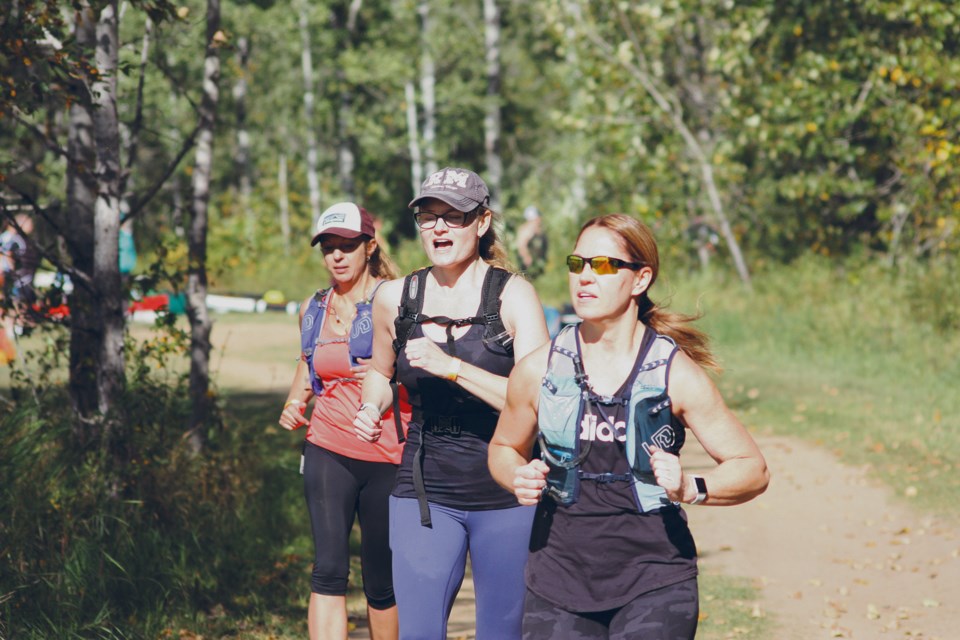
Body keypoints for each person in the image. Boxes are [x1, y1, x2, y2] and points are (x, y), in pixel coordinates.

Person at [489, 214, 770, 640]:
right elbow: (503, 447)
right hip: (557, 579)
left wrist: (691, 487)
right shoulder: (538, 370)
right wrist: (516, 474)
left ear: (640, 280)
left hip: (655, 580)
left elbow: (751, 467)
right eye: (576, 263)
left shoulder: (674, 373)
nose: (584, 277)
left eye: (602, 265)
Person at [352, 167, 550, 639]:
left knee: (501, 633)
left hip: (507, 493)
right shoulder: (396, 299)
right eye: (428, 216)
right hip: (424, 492)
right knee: (419, 632)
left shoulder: (513, 296)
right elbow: (380, 373)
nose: (439, 228)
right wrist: (371, 406)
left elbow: (540, 401)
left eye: (453, 216)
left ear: (481, 223)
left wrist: (454, 368)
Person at [279, 202, 409, 640]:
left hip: (387, 453)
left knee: (380, 577)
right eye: (328, 247)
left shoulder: (397, 300)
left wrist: (387, 368)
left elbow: (422, 369)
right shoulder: (313, 307)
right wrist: (295, 402)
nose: (337, 255)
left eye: (347, 245)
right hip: (327, 447)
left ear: (369, 247)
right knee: (329, 569)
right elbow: (307, 363)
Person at [0, 214, 39, 363]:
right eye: (28, 222)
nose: (31, 225)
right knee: (14, 302)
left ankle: (17, 327)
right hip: (15, 279)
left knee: (19, 302)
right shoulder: (12, 239)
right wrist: (10, 271)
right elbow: (8, 255)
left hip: (20, 278)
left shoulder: (17, 239)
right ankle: (13, 328)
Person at [514, 205, 548, 280]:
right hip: (528, 266)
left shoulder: (534, 229)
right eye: (538, 217)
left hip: (534, 264)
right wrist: (527, 257)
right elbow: (521, 245)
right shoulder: (527, 229)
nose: (540, 219)